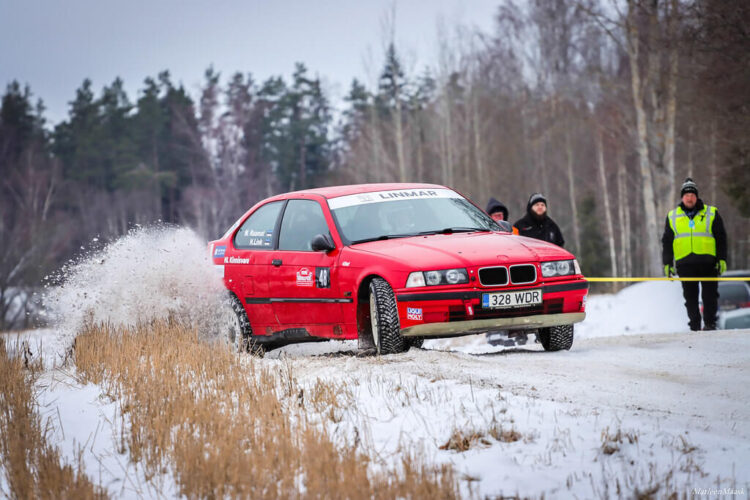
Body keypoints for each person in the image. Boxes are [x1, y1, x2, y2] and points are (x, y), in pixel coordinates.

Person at [662, 178, 728, 331]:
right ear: (681, 197)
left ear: (697, 196)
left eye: (692, 194)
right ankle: (695, 326)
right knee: (690, 298)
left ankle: (710, 324)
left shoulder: (711, 213)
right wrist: (667, 263)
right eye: (686, 195)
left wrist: (722, 258)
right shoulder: (672, 216)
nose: (689, 197)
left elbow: (721, 237)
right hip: (685, 263)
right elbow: (667, 241)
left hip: (708, 262)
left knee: (710, 296)